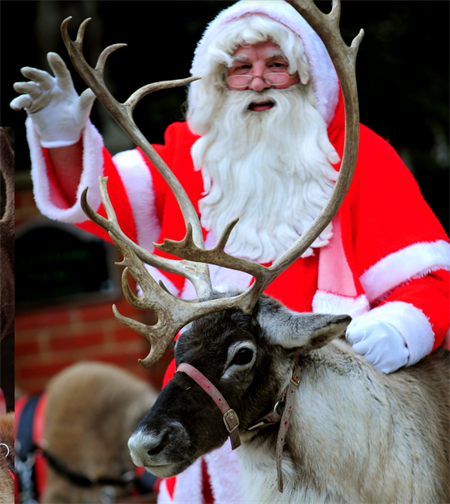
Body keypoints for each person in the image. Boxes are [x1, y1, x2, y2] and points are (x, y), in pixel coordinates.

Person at [11, 1, 450, 502]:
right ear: (218, 80)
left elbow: (429, 279)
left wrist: (396, 330)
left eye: (276, 64)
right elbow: (100, 201)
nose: (259, 80)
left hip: (333, 432)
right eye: (241, 68)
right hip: (206, 417)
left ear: (307, 75)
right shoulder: (187, 157)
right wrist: (64, 135)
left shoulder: (359, 156)